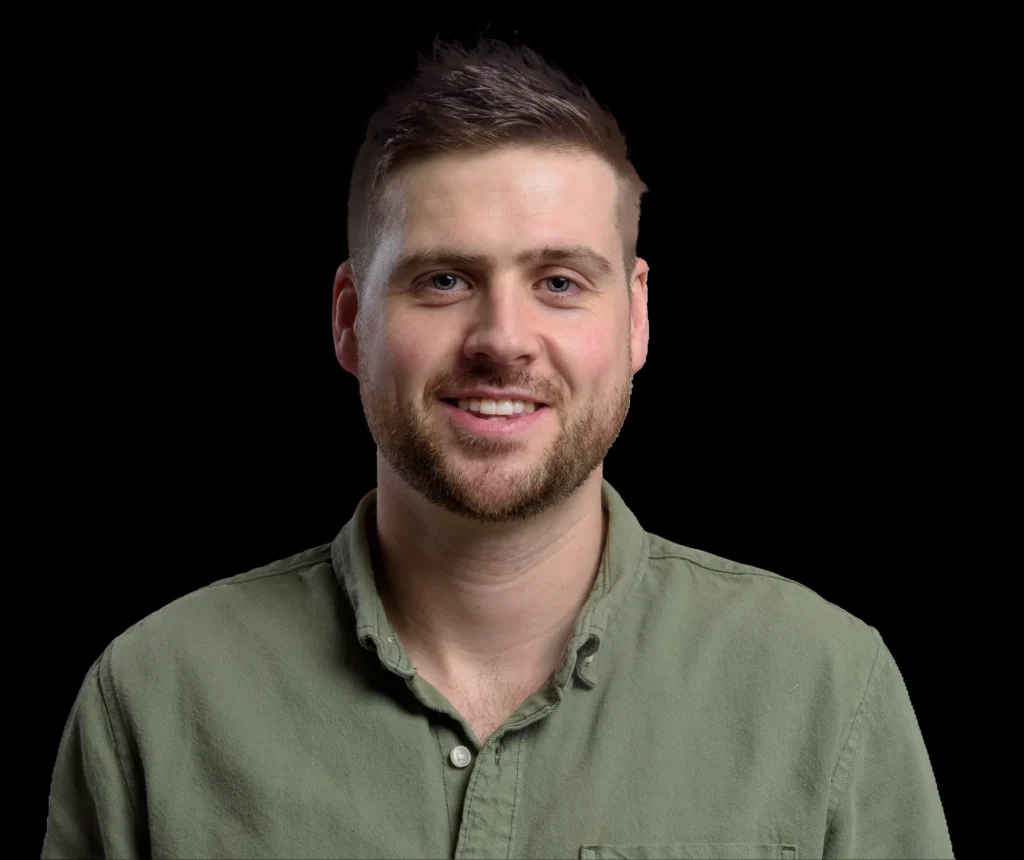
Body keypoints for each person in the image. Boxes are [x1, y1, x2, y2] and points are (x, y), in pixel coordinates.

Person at [42, 38, 954, 859]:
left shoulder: (828, 692)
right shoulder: (154, 702)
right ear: (351, 321)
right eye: (444, 280)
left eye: (559, 281)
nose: (503, 339)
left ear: (637, 318)